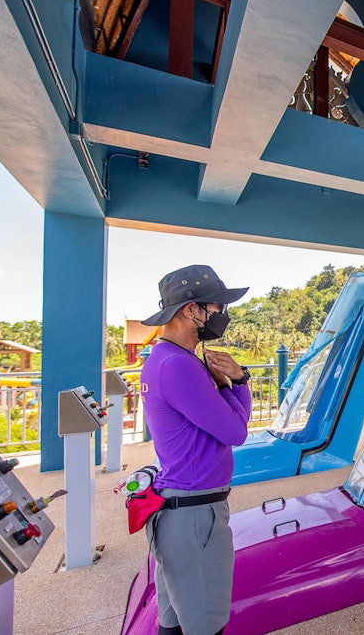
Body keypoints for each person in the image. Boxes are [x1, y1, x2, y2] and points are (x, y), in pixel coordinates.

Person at [139, 265, 252, 635]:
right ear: (192, 310)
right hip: (194, 516)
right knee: (204, 625)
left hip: (179, 508)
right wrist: (237, 381)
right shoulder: (180, 367)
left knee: (174, 623)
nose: (222, 314)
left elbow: (227, 427)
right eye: (216, 306)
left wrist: (225, 389)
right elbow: (236, 431)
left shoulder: (164, 359)